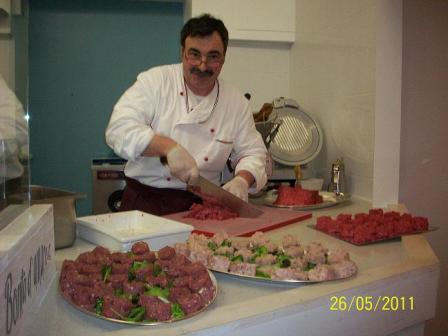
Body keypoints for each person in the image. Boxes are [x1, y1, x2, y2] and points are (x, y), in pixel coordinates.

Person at [105, 14, 267, 216]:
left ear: (224, 58)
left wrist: (242, 180)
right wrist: (168, 148)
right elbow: (118, 129)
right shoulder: (156, 82)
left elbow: (253, 152)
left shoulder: (236, 102)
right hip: (145, 203)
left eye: (213, 56)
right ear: (182, 52)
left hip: (204, 206)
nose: (202, 65)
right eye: (195, 54)